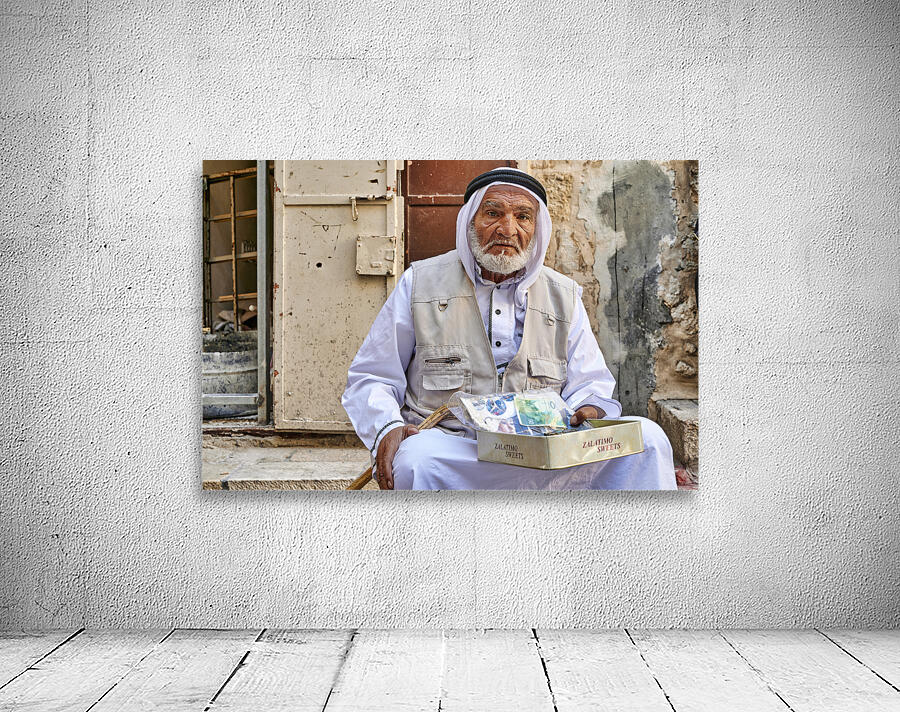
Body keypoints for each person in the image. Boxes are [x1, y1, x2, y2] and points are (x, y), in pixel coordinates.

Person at [341, 168, 677, 490]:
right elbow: (374, 376)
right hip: (456, 449)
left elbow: (590, 383)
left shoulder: (563, 295)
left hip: (543, 452)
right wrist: (388, 426)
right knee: (416, 460)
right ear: (470, 222)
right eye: (493, 213)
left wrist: (588, 409)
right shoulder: (420, 283)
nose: (507, 229)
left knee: (648, 439)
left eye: (522, 217)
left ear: (536, 228)